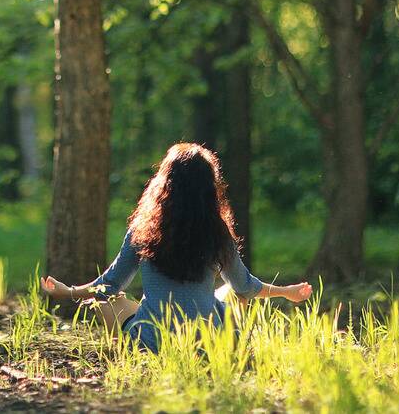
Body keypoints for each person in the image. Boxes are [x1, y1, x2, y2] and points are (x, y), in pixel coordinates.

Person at [40, 142, 312, 352]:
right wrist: (286, 292)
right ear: (209, 188)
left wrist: (69, 291)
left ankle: (127, 353)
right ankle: (230, 348)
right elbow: (246, 287)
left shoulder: (143, 229)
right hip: (208, 342)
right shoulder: (217, 232)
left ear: (164, 185)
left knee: (110, 302)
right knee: (233, 292)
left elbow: (109, 286)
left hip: (153, 341)